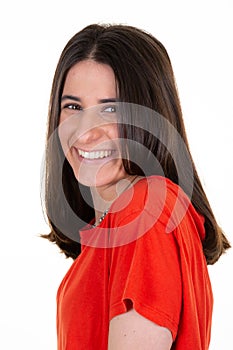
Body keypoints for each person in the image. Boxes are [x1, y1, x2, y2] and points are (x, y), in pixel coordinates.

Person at [42, 24, 230, 349]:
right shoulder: (114, 229)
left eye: (110, 109)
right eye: (73, 107)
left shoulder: (144, 209)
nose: (86, 131)